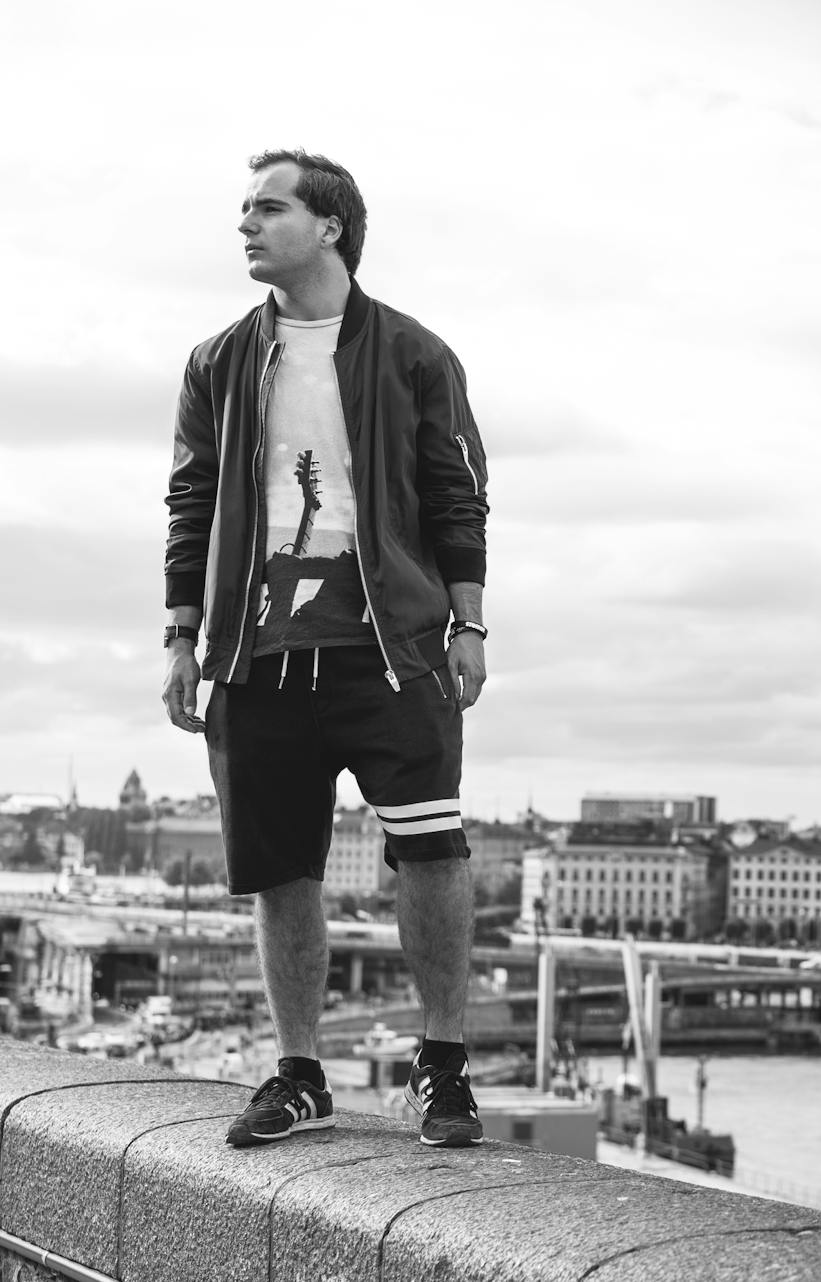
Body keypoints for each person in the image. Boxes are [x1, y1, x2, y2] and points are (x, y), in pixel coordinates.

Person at [162, 149, 490, 1149]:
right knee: (280, 870)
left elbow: (455, 492)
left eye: (269, 208)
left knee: (430, 849)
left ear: (330, 226)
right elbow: (190, 502)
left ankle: (441, 1071)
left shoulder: (412, 353)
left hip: (387, 648)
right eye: (245, 210)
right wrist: (183, 633)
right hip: (257, 657)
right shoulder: (219, 361)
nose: (247, 225)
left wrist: (468, 622)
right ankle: (300, 1073)